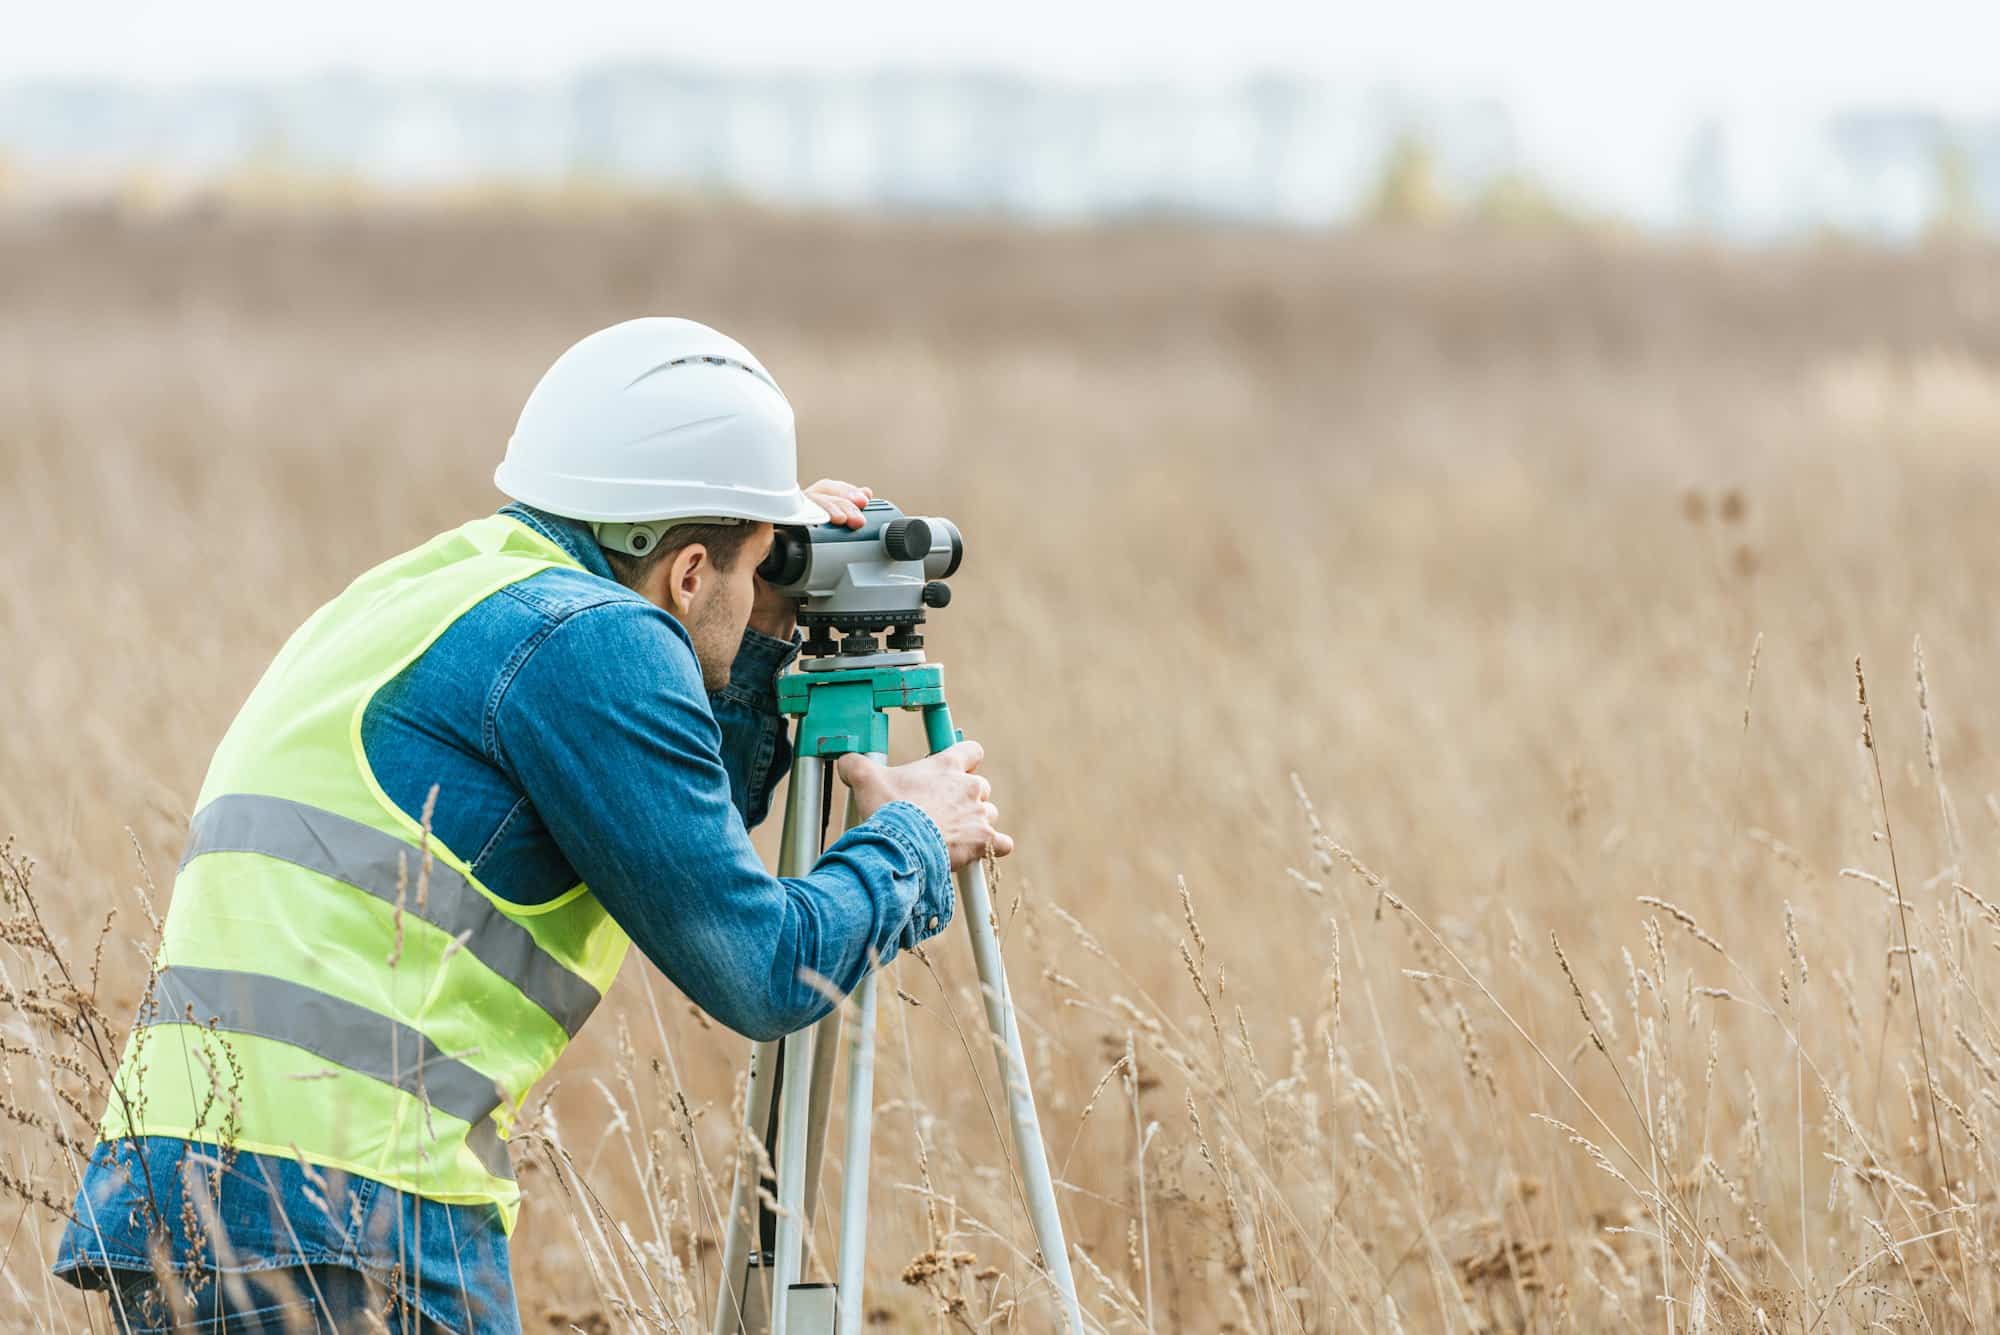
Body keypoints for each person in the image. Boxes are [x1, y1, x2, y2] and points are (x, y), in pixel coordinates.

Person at [52, 317, 1011, 1332]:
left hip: (170, 1199)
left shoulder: (446, 588)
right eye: (750, 561)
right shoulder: (594, 640)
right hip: (351, 1210)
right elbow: (762, 967)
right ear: (688, 572)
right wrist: (906, 839)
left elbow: (672, 844)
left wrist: (760, 626)